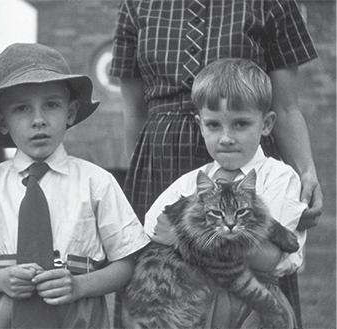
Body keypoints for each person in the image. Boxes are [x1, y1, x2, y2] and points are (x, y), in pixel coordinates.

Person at [109, 0, 322, 326]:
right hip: (159, 159)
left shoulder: (270, 3)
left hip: (248, 160)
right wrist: (136, 182)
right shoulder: (136, 6)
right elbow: (134, 110)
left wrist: (306, 172)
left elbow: (286, 105)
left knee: (254, 291)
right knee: (163, 290)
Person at [0, 43, 150, 329]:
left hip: (78, 318)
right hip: (4, 319)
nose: (38, 120)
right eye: (22, 108)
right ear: (1, 122)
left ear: (70, 113)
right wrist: (0, 279)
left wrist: (79, 286)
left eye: (52, 105)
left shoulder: (97, 182)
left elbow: (125, 264)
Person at [141, 58, 307, 328]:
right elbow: (154, 232)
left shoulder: (277, 178)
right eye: (214, 125)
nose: (226, 138)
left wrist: (184, 240)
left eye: (240, 124)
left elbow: (267, 258)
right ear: (200, 124)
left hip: (255, 304)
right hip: (194, 303)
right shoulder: (189, 184)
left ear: (266, 124)